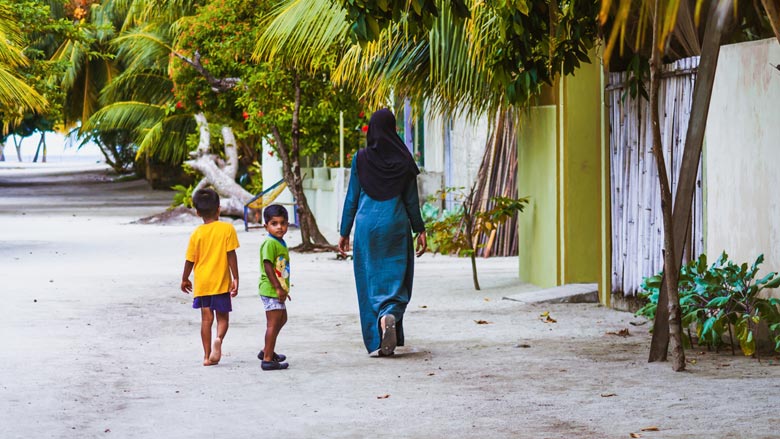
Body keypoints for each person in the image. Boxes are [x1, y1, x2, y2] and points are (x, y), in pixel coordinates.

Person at [338, 108, 427, 357]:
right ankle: (390, 314)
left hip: (367, 229)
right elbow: (412, 201)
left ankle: (377, 337)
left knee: (369, 281)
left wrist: (344, 231)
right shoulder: (405, 160)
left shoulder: (361, 158)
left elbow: (352, 198)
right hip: (396, 226)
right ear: (393, 129)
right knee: (398, 277)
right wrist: (419, 229)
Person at [180, 188, 239, 366]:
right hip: (221, 282)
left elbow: (190, 260)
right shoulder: (227, 229)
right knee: (223, 319)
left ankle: (206, 357)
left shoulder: (197, 234)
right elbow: (231, 255)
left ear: (197, 212)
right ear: (219, 209)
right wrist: (235, 278)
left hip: (203, 284)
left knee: (206, 320)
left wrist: (184, 279)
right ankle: (219, 339)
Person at [257, 204, 291, 371]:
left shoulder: (280, 241)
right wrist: (277, 288)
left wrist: (284, 289)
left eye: (283, 223)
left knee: (282, 319)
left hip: (277, 289)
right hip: (270, 290)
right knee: (273, 323)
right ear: (266, 226)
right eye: (274, 223)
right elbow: (268, 266)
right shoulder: (270, 243)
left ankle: (266, 350)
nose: (279, 227)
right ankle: (268, 359)